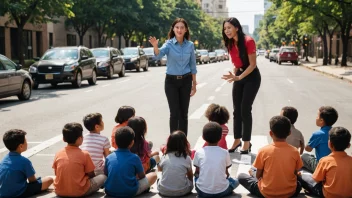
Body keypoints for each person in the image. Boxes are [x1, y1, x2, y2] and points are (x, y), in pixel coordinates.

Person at [149, 18, 197, 136]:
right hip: (171, 82)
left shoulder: (190, 45)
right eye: (177, 27)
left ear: (186, 30)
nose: (179, 30)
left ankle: (183, 141)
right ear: (173, 29)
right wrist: (155, 46)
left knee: (184, 114)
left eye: (182, 27)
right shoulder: (169, 44)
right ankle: (173, 142)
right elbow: (158, 55)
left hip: (186, 81)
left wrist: (194, 84)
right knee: (174, 113)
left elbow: (192, 65)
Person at [221, 17, 261, 154]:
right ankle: (237, 139)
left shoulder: (248, 41)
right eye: (225, 28)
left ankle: (246, 142)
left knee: (245, 109)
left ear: (236, 28)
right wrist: (234, 73)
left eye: (229, 28)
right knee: (236, 110)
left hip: (252, 77)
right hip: (239, 76)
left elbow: (252, 65)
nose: (227, 31)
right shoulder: (230, 43)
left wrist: (238, 76)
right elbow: (236, 63)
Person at [238, 116, 303, 198]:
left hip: (266, 193)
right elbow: (295, 172)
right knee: (299, 183)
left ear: (271, 133)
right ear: (289, 133)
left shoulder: (263, 151)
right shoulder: (295, 151)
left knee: (241, 176)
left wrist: (255, 175)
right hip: (289, 193)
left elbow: (258, 176)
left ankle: (253, 174)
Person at [52, 123, 106, 197]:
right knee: (103, 177)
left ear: (64, 139)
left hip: (60, 191)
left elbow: (56, 173)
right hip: (79, 192)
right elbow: (91, 174)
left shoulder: (58, 153)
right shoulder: (84, 154)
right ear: (80, 138)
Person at [298, 127, 352, 198]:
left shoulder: (325, 160)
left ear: (329, 144)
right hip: (348, 194)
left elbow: (317, 179)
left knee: (301, 174)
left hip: (328, 195)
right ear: (348, 145)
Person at [104, 126, 157, 197]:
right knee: (153, 175)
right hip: (129, 192)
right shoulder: (135, 157)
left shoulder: (109, 157)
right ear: (132, 143)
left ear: (115, 142)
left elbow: (106, 174)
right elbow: (142, 176)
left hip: (109, 191)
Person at [0, 129, 53, 198]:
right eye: (26, 141)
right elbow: (32, 181)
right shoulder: (24, 161)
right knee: (49, 180)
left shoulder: (4, 160)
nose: (27, 143)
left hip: (3, 193)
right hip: (19, 193)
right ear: (21, 146)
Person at [193, 122, 239, 197]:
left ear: (203, 137)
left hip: (202, 192)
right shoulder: (224, 152)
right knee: (237, 180)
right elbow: (226, 173)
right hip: (222, 191)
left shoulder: (199, 152)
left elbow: (197, 172)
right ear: (221, 137)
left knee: (196, 178)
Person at [301, 106, 338, 173]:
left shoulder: (318, 134)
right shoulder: (335, 132)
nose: (316, 118)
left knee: (304, 156)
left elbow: (308, 149)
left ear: (321, 120)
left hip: (321, 167)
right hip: (332, 164)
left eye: (317, 116)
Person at [157, 131, 193, 197]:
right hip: (182, 191)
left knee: (159, 173)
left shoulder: (164, 157)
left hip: (163, 191)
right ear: (185, 144)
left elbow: (159, 169)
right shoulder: (187, 158)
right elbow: (190, 175)